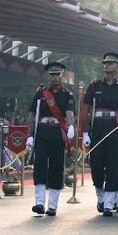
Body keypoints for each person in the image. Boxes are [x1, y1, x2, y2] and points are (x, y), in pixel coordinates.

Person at [28, 61, 75, 217]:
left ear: (62, 76)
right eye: (52, 74)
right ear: (49, 76)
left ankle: (53, 206)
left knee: (56, 167)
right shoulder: (40, 93)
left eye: (58, 74)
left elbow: (69, 114)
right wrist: (29, 135)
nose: (55, 77)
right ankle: (39, 203)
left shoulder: (67, 95)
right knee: (40, 165)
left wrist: (71, 127)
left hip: (57, 133)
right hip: (41, 132)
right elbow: (32, 115)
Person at [83, 53, 118, 216]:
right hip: (98, 127)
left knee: (113, 164)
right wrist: (85, 131)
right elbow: (86, 109)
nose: (106, 66)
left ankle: (109, 203)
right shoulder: (94, 86)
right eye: (105, 63)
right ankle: (100, 196)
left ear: (117, 68)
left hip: (114, 129)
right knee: (96, 164)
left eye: (110, 64)